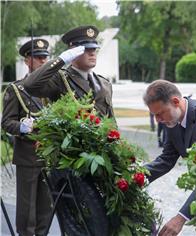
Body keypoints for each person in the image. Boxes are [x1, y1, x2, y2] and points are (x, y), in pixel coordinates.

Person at [143, 80, 196, 236]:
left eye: (160, 113)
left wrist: (181, 218)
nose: (158, 120)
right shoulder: (172, 120)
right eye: (154, 115)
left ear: (175, 101)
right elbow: (166, 159)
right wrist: (135, 177)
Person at [1, 38, 53, 236]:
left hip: (48, 157)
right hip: (28, 156)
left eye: (45, 58)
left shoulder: (51, 87)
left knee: (46, 208)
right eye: (38, 58)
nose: (42, 62)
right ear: (27, 60)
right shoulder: (16, 89)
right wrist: (22, 128)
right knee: (27, 209)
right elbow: (6, 122)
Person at [23, 25, 114, 118]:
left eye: (94, 49)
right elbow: (30, 85)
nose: (92, 53)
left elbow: (111, 122)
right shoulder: (60, 80)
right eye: (86, 49)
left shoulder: (105, 84)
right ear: (72, 51)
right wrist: (60, 60)